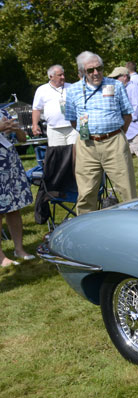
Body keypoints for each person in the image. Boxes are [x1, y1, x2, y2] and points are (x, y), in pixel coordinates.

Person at [64, 51, 137, 214]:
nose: (96, 73)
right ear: (83, 72)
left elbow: (127, 115)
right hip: (87, 145)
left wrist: (115, 135)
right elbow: (72, 120)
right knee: (86, 192)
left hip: (114, 142)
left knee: (127, 190)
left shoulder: (116, 85)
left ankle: (134, 228)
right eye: (91, 70)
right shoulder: (73, 90)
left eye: (99, 68)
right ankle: (85, 232)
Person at [0, 108, 34, 266]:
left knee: (14, 208)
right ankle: (1, 257)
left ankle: (19, 249)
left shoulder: (3, 112)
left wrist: (17, 129)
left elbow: (22, 140)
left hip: (10, 165)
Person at [31, 64, 77, 146]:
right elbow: (36, 109)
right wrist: (35, 125)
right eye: (60, 75)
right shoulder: (42, 90)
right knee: (58, 155)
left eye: (63, 74)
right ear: (51, 77)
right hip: (54, 129)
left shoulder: (71, 87)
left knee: (75, 154)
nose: (63, 77)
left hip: (73, 128)